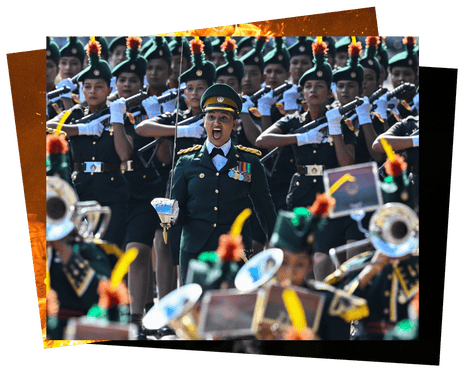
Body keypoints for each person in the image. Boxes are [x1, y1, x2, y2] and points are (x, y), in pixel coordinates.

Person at [255, 37, 357, 281]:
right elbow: (263, 141)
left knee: (320, 256)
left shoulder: (341, 122)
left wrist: (336, 130)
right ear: (301, 92)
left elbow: (348, 164)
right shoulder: (293, 121)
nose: (313, 90)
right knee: (291, 248)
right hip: (300, 188)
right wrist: (299, 138)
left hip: (329, 190)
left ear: (329, 91)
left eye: (319, 86)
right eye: (308, 86)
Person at [171, 83, 277, 283]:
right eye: (211, 117)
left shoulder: (249, 161)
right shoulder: (185, 162)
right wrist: (170, 217)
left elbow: (264, 207)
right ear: (203, 121)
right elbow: (178, 209)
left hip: (235, 248)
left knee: (234, 307)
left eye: (224, 118)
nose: (216, 123)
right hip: (195, 249)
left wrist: (278, 241)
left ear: (235, 123)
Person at [46, 37, 134, 249]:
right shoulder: (74, 114)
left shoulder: (119, 114)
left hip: (112, 193)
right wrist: (80, 129)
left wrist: (116, 119)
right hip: (80, 192)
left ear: (108, 88)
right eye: (87, 86)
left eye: (99, 86)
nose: (93, 91)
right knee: (84, 252)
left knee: (109, 251)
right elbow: (43, 128)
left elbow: (124, 154)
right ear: (81, 89)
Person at [110, 36, 167, 339]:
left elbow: (162, 156)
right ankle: (123, 309)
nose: (127, 84)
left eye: (133, 79)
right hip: (114, 190)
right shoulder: (103, 110)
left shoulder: (151, 109)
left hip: (145, 188)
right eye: (122, 79)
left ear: (142, 82)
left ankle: (136, 318)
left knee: (138, 250)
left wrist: (152, 117)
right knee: (116, 253)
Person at [255, 201, 370, 341]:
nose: (291, 273)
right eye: (284, 263)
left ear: (311, 265)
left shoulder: (330, 304)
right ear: (271, 261)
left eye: (300, 265)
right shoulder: (253, 299)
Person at [56, 36, 86, 111]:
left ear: (82, 67)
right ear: (58, 67)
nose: (68, 68)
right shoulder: (51, 91)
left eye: (74, 63)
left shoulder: (86, 92)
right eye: (63, 63)